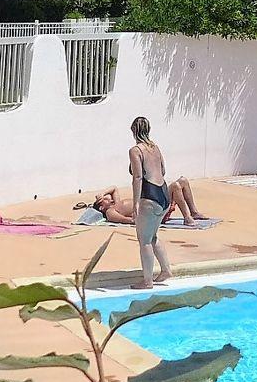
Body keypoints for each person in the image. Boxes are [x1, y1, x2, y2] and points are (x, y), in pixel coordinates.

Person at [128, 115, 174, 283]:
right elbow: (163, 170)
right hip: (163, 193)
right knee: (153, 236)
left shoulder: (136, 150)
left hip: (149, 194)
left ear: (133, 131)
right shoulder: (155, 147)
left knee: (145, 240)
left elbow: (138, 177)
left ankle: (147, 281)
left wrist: (136, 203)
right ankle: (166, 270)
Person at [81, 177, 206, 226]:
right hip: (153, 214)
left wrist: (102, 194)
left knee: (182, 181)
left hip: (154, 204)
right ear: (102, 207)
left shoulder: (116, 203)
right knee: (176, 187)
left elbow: (113, 187)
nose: (109, 198)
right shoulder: (111, 212)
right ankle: (187, 217)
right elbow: (127, 221)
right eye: (105, 199)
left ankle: (194, 212)